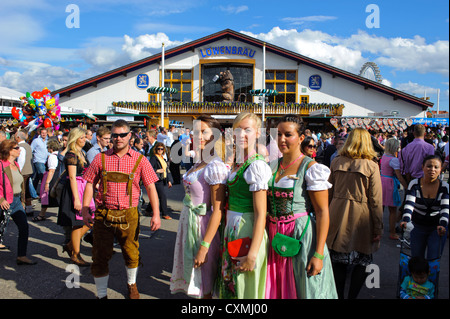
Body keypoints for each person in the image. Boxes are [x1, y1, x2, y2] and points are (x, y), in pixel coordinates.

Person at [81, 119, 161, 299]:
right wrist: (86, 209)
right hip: (103, 213)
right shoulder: (100, 158)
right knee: (100, 255)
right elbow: (89, 184)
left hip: (129, 213)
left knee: (131, 252)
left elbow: (151, 188)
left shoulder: (140, 159)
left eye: (122, 135)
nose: (118, 138)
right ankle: (101, 294)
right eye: (115, 135)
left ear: (130, 136)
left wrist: (156, 213)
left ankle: (132, 285)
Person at [266, 114, 337, 299]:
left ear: (301, 138)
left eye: (288, 134)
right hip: (273, 234)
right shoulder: (272, 165)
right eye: (279, 134)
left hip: (300, 235)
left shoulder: (311, 167)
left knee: (302, 288)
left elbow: (322, 212)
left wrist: (319, 254)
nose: (282, 139)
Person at [170, 115, 228, 298]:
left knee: (204, 283)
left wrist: (204, 246)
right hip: (189, 223)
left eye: (204, 132)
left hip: (202, 227)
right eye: (196, 132)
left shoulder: (215, 166)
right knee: (195, 279)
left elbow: (217, 210)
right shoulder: (198, 163)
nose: (199, 136)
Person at [218, 112, 271, 299]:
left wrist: (252, 254)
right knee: (233, 284)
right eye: (237, 130)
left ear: (258, 133)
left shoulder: (256, 166)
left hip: (246, 229)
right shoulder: (239, 164)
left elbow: (260, 213)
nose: (241, 135)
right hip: (233, 227)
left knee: (244, 287)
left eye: (247, 130)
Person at [327, 128, 383, 299]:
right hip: (362, 217)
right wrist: (378, 227)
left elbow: (328, 192)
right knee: (362, 260)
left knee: (338, 261)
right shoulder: (372, 165)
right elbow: (375, 200)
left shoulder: (336, 162)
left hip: (337, 213)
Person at [57, 128, 96, 267]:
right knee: (78, 223)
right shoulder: (71, 155)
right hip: (75, 190)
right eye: (81, 138)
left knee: (89, 220)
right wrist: (77, 199)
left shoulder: (81, 153)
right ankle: (75, 254)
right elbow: (72, 177)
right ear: (75, 139)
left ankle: (70, 245)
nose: (84, 139)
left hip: (83, 188)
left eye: (84, 137)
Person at [400, 155, 448, 260]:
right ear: (422, 167)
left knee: (433, 260)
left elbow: (445, 209)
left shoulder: (444, 187)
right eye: (429, 166)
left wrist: (443, 225)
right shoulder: (414, 184)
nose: (432, 170)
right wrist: (406, 220)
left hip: (437, 228)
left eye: (436, 167)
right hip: (417, 226)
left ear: (441, 169)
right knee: (416, 260)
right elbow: (409, 205)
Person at [0, 140, 37, 265]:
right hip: (4, 202)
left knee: (24, 227)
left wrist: (22, 201)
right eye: (17, 148)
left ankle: (22, 255)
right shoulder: (1, 165)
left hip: (16, 201)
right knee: (1, 230)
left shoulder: (16, 164)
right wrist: (1, 199)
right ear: (9, 150)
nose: (20, 150)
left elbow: (21, 185)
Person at [380, 138, 408, 240]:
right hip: (390, 184)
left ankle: (378, 229)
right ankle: (392, 232)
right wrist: (407, 186)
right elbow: (399, 176)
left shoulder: (384, 156)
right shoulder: (394, 160)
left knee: (380, 209)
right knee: (392, 210)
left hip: (381, 181)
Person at [33, 139, 61, 221]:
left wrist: (47, 183)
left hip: (51, 178)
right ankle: (42, 214)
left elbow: (51, 170)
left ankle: (41, 214)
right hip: (56, 177)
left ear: (51, 148)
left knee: (46, 195)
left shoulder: (52, 156)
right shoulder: (59, 155)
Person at [15, 130, 34, 215]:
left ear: (18, 137)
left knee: (22, 191)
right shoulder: (27, 145)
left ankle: (23, 208)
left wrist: (18, 171)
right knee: (26, 189)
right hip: (28, 170)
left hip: (23, 172)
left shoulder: (21, 147)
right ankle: (29, 208)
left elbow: (21, 161)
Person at [30, 127, 49, 195]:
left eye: (45, 133)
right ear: (40, 133)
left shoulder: (48, 141)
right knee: (43, 177)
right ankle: (44, 193)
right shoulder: (36, 140)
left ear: (47, 133)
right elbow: (31, 149)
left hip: (46, 161)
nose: (44, 134)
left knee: (37, 177)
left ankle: (33, 192)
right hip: (38, 160)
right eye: (42, 133)